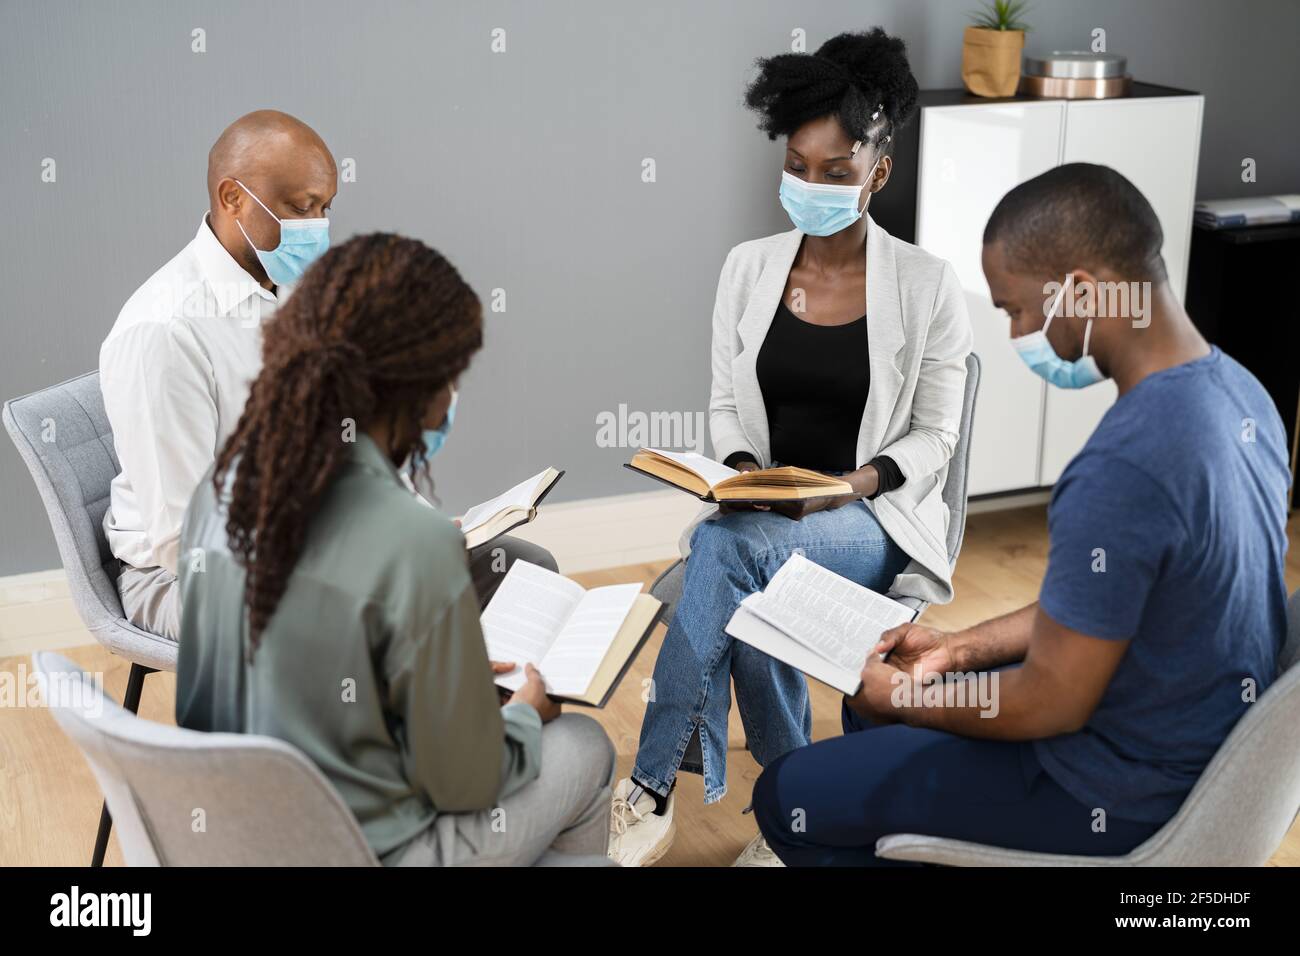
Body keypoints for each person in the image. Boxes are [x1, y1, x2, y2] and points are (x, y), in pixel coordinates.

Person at [752, 163, 1291, 865]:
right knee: (872, 704)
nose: (1016, 333)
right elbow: (1123, 601)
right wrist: (956, 651)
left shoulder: (1124, 465)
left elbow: (1049, 703)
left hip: (1117, 788)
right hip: (1194, 739)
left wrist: (910, 698)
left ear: (1087, 292)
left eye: (1016, 309)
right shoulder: (1244, 395)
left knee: (788, 796)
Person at [609, 29, 972, 867]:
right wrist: (745, 476)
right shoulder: (748, 268)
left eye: (835, 170)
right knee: (741, 550)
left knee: (727, 551)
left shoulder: (926, 286)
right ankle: (797, 808)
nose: (811, 183)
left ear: (876, 173)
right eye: (798, 165)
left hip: (871, 520)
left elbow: (937, 436)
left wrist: (852, 484)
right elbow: (728, 407)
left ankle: (653, 781)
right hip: (766, 511)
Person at [175, 233, 615, 866]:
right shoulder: (415, 542)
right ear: (424, 387)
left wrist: (442, 684)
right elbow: (463, 781)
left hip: (235, 838)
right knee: (584, 743)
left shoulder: (222, 491)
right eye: (454, 373)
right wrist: (523, 715)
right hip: (369, 853)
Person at [101, 109, 551, 641]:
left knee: (520, 566)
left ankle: (492, 712)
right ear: (232, 197)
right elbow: (186, 541)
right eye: (299, 207)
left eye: (325, 207)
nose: (316, 226)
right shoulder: (165, 332)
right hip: (191, 582)